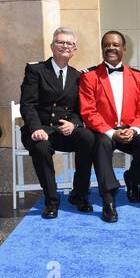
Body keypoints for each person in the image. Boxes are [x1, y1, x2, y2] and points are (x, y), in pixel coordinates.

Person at [19, 27, 94, 219]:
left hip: (63, 131)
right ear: (52, 46)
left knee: (87, 137)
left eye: (69, 43)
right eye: (60, 42)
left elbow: (80, 110)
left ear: (74, 49)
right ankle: (51, 200)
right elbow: (28, 104)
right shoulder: (36, 70)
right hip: (40, 129)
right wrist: (35, 128)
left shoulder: (78, 76)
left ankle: (79, 194)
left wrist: (75, 124)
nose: (65, 46)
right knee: (41, 147)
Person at [79, 30, 140, 223]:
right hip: (104, 131)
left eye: (115, 44)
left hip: (130, 128)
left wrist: (134, 130)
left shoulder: (138, 77)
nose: (110, 48)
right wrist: (112, 133)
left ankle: (133, 180)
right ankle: (108, 200)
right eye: (106, 45)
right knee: (101, 146)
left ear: (124, 49)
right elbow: (88, 111)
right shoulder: (90, 77)